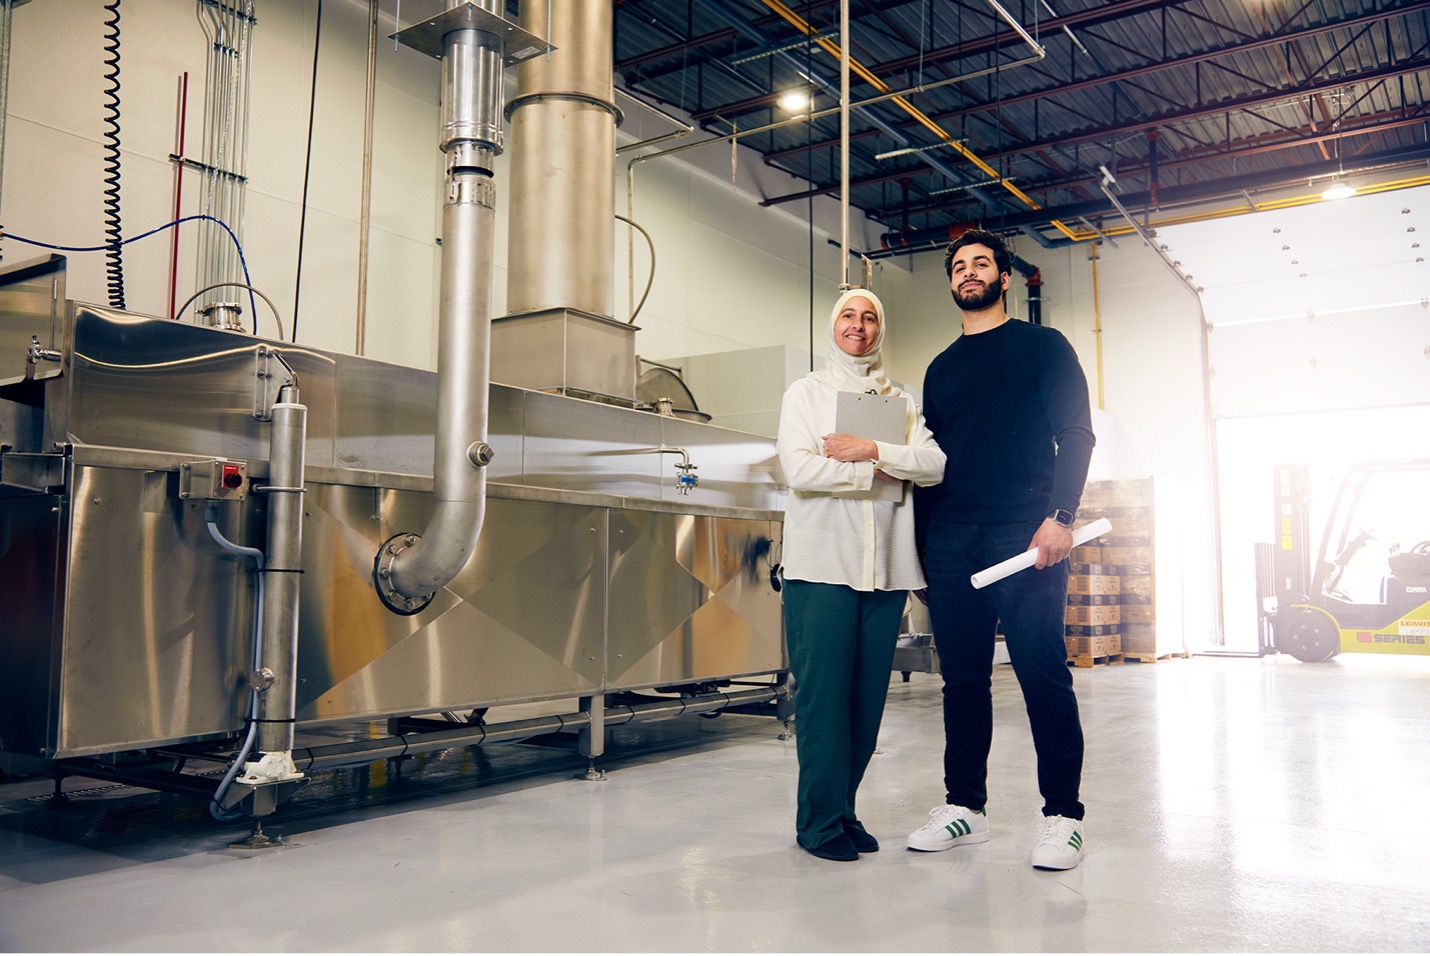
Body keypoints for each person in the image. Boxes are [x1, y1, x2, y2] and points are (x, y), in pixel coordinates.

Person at [908, 229, 1096, 870]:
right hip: (954, 536)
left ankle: (1062, 817)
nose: (969, 272)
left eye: (981, 262)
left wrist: (1060, 517)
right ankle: (966, 808)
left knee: (1042, 673)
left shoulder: (1044, 348)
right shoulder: (940, 368)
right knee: (961, 679)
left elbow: (1076, 433)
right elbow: (929, 465)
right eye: (958, 265)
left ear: (1004, 277)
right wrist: (921, 551)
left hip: (1026, 534)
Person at [777, 288, 946, 862]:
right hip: (823, 566)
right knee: (824, 703)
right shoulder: (806, 392)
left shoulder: (899, 401)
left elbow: (933, 463)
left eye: (870, 316)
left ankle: (843, 809)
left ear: (880, 329)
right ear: (833, 326)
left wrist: (868, 448)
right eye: (849, 315)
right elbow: (798, 468)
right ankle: (817, 823)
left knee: (866, 704)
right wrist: (881, 472)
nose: (859, 325)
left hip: (885, 570)